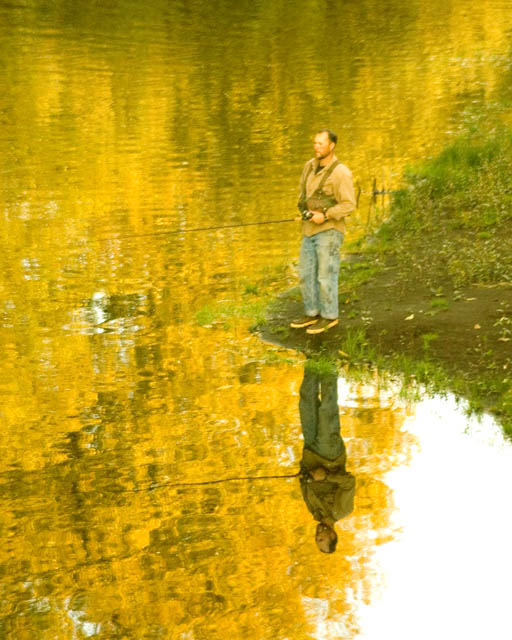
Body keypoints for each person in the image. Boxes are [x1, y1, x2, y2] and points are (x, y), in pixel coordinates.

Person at [291, 129, 356, 334]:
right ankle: (312, 313)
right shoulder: (308, 167)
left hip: (330, 230)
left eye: (321, 143)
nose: (316, 147)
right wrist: (305, 213)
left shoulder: (341, 173)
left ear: (332, 146)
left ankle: (329, 316)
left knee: (325, 275)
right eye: (315, 143)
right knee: (305, 273)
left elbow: (349, 205)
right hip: (308, 230)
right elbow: (302, 196)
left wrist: (326, 215)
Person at [298, 365, 355, 553]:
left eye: (316, 538)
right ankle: (328, 361)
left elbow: (305, 483)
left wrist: (303, 475)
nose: (318, 534)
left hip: (310, 451)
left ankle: (313, 360)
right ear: (333, 536)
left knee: (307, 404)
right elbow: (349, 482)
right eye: (322, 538)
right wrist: (327, 476)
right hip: (330, 453)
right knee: (327, 409)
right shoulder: (342, 511)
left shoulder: (312, 510)